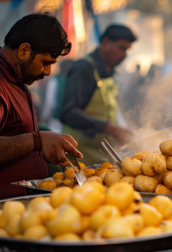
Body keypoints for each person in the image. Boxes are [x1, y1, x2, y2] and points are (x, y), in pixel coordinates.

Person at [0, 13, 82, 202]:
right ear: (23, 50)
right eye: (45, 63)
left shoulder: (13, 79)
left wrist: (44, 138)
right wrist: (37, 141)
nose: (47, 72)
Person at [61, 24, 137, 165]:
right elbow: (68, 113)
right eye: (122, 48)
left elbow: (110, 110)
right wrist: (109, 128)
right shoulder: (83, 68)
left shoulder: (110, 71)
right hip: (78, 155)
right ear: (105, 42)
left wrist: (123, 130)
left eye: (127, 50)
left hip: (101, 155)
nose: (125, 55)